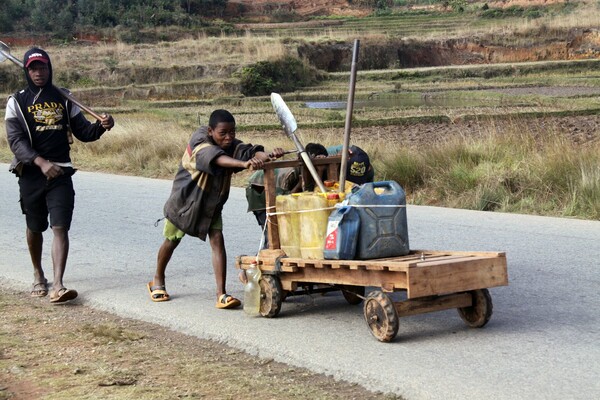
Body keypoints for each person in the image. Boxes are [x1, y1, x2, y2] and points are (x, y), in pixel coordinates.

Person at [5, 47, 114, 303]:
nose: (38, 72)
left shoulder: (65, 98)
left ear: (49, 68)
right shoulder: (16, 101)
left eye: (42, 67)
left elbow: (84, 132)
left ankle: (58, 285)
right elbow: (16, 141)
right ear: (26, 71)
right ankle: (38, 273)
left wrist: (102, 126)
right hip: (32, 173)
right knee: (34, 227)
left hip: (62, 173)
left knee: (60, 227)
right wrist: (41, 163)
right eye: (33, 68)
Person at [148, 109, 284, 308]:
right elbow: (216, 158)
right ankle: (157, 280)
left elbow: (250, 151)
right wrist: (244, 164)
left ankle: (221, 294)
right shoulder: (200, 142)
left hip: (211, 204)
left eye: (232, 132)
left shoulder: (229, 144)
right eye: (223, 133)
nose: (229, 137)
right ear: (211, 131)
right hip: (186, 202)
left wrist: (268, 155)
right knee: (172, 240)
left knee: (218, 241)